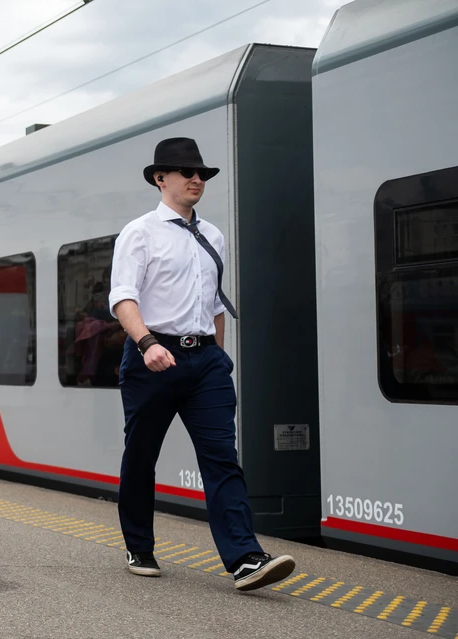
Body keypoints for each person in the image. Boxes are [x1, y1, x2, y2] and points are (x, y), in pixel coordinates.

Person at [108, 137, 296, 592]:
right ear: (160, 178)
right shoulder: (139, 232)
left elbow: (213, 303)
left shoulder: (213, 236)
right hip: (152, 357)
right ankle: (139, 544)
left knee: (222, 459)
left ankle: (245, 558)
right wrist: (147, 342)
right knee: (141, 456)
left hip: (205, 361)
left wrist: (218, 354)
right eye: (186, 173)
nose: (197, 180)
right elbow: (122, 298)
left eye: (202, 175)